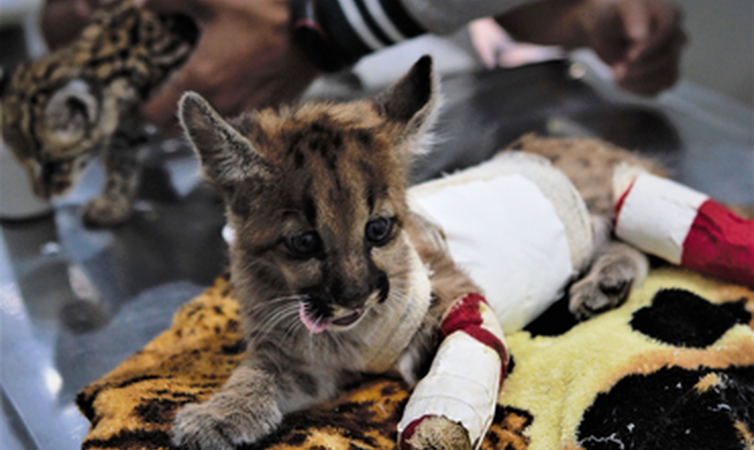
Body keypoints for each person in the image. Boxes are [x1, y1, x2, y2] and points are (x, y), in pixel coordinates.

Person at [40, 0, 686, 128]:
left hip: (436, 116)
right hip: (222, 146)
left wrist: (582, 17)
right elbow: (54, 22)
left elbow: (501, 11)